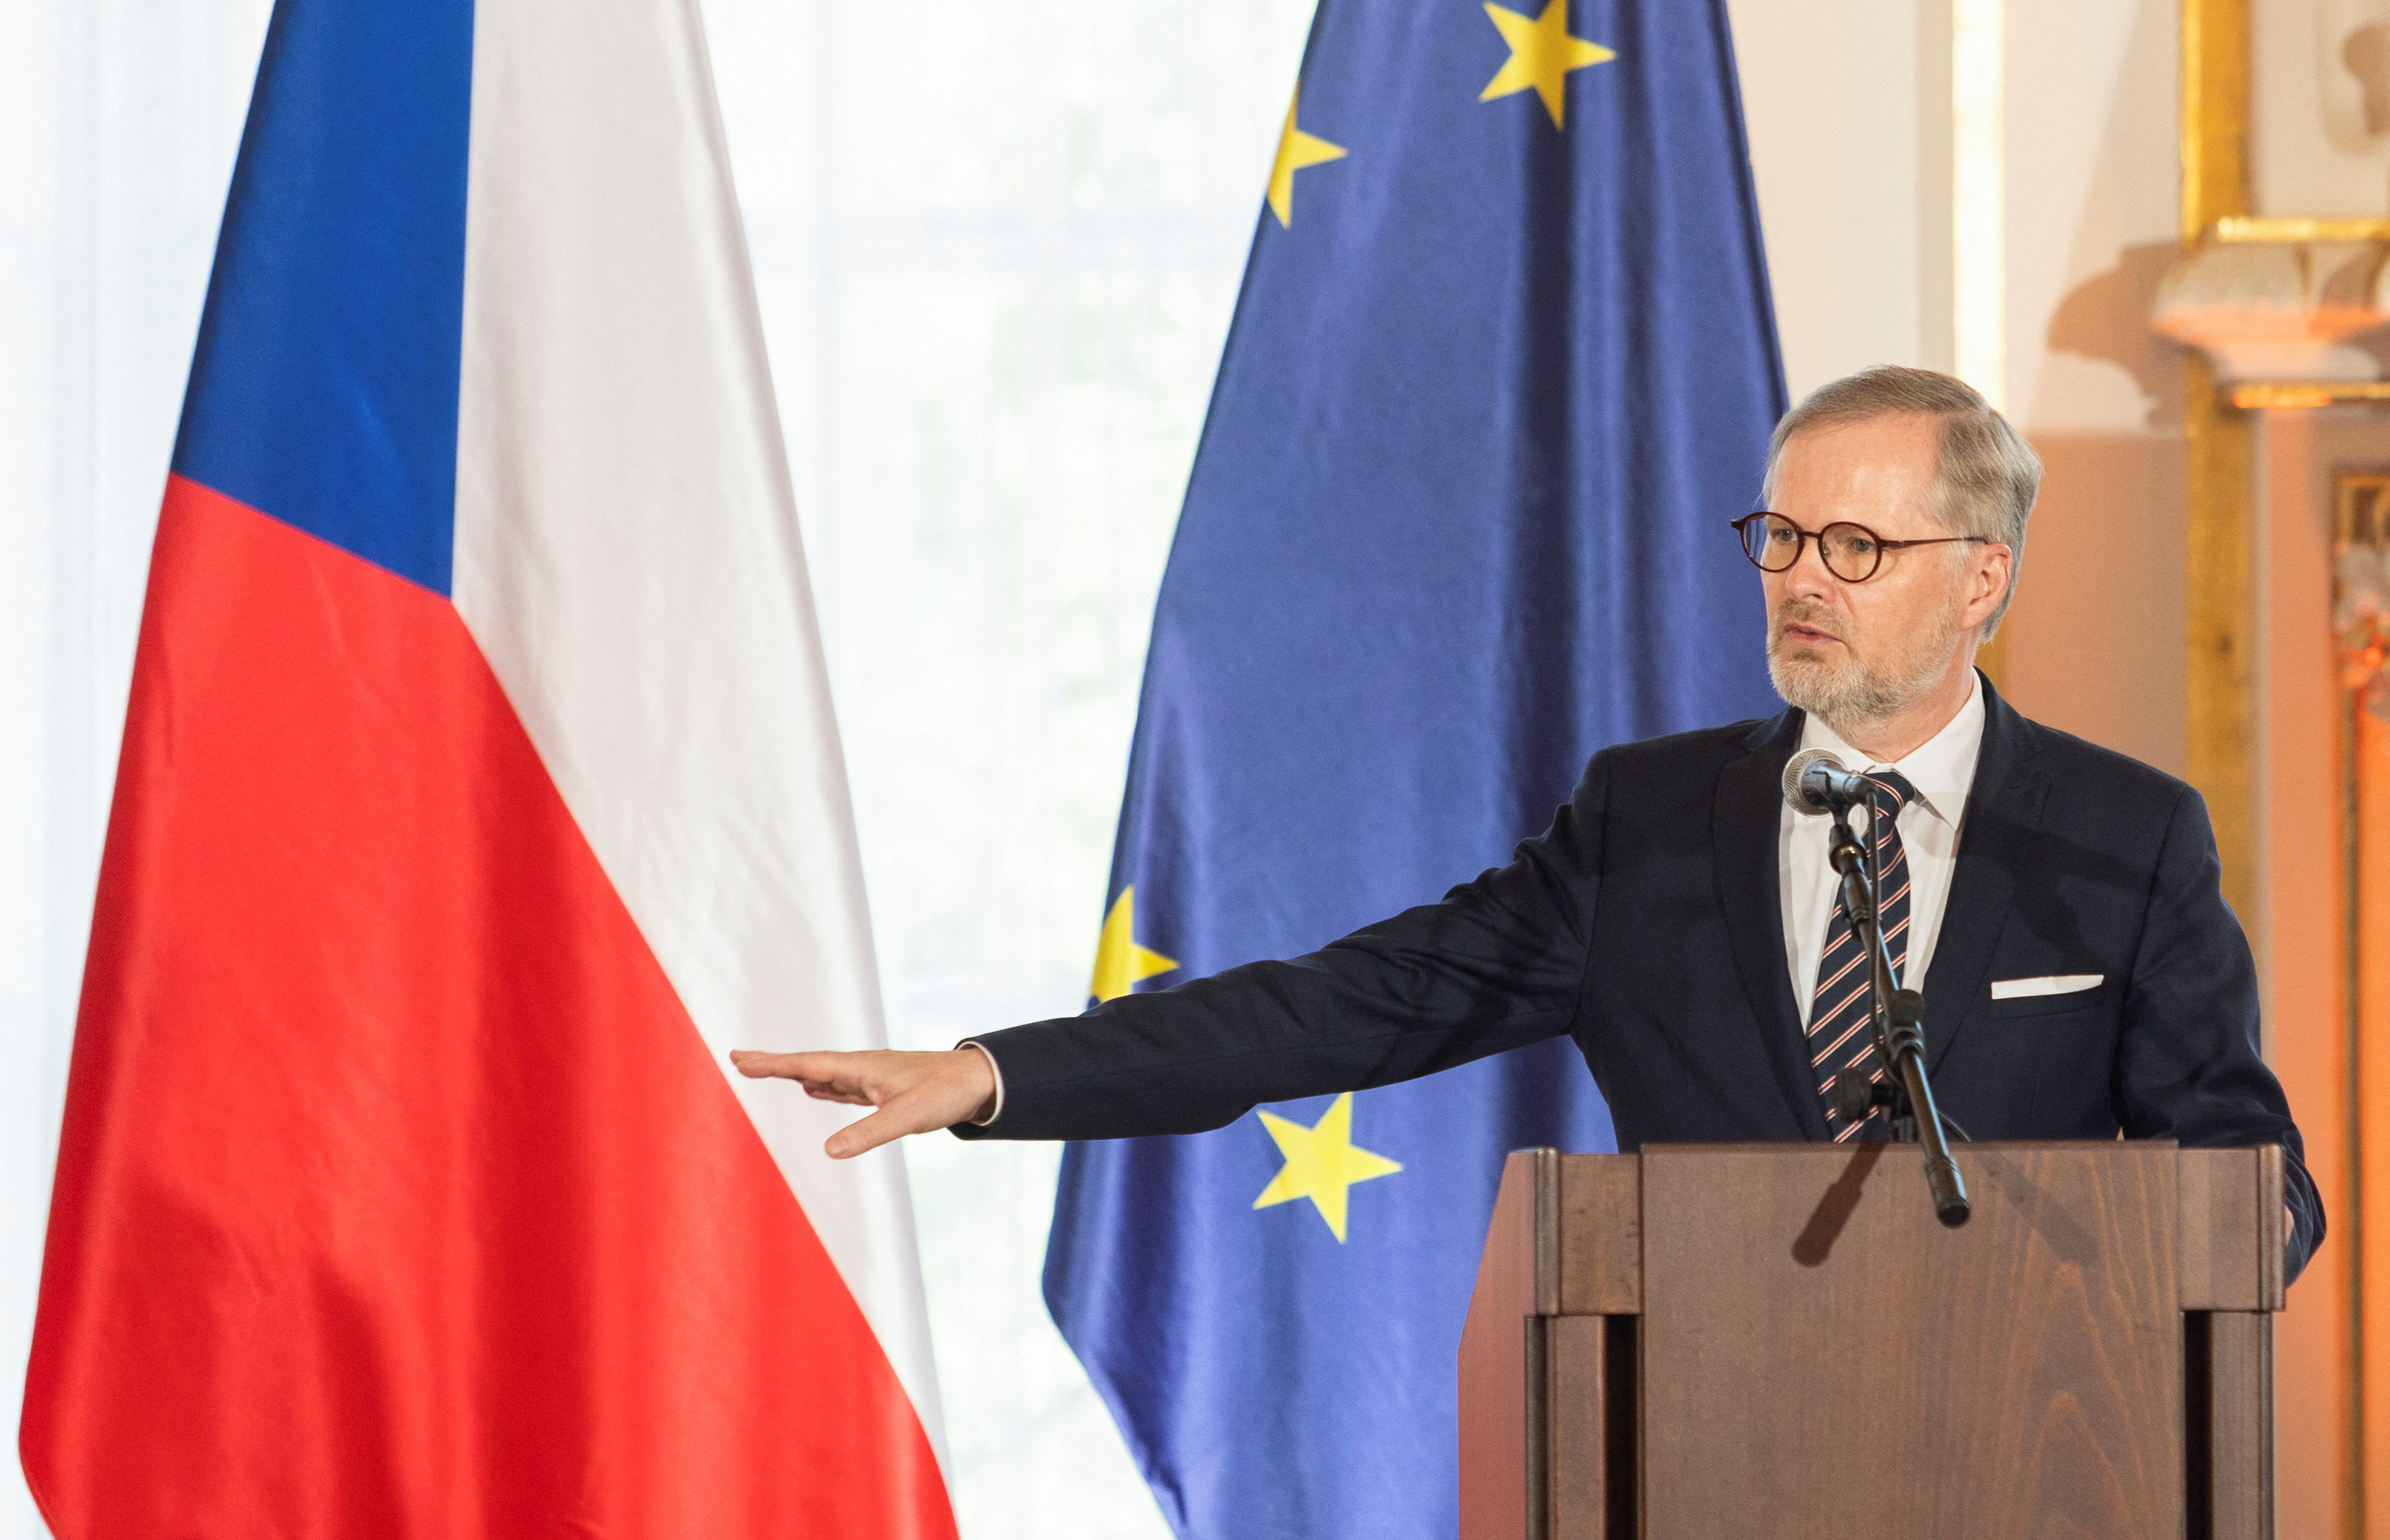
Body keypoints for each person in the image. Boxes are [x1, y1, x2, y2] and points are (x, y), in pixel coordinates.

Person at [732, 365, 2324, 1276]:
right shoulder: (1652, 822)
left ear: (1985, 575)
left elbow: (2259, 1194)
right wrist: (1001, 1072)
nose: (1800, 583)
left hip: (2038, 1485)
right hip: (1713, 1478)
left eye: (1855, 545)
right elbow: (1354, 1003)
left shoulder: (2125, 838)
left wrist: (2086, 1297)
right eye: (1779, 537)